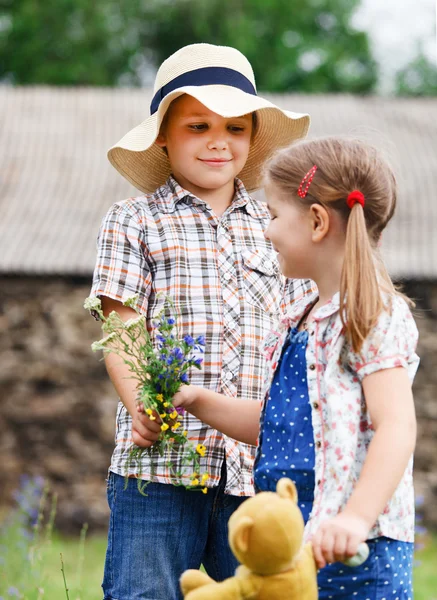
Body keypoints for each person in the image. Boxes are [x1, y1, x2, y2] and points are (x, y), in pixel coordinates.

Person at [88, 42, 311, 600]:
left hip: (255, 467)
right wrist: (141, 401)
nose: (219, 140)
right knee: (146, 591)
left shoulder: (276, 223)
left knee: (255, 592)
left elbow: (300, 335)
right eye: (198, 125)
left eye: (236, 128)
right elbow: (123, 328)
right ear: (164, 135)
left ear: (252, 138)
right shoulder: (135, 220)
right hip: (162, 460)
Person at [168, 137, 420, 599]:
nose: (266, 232)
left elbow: (397, 426)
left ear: (317, 222)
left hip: (355, 548)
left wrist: (355, 518)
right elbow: (278, 425)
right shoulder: (301, 317)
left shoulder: (370, 314)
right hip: (294, 546)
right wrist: (200, 401)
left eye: (273, 216)